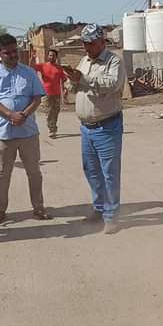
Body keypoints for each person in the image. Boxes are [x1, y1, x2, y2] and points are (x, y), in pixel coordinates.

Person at [0, 34, 51, 226]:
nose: (13, 55)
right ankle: (0, 210)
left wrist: (24, 115)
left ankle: (38, 207)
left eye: (15, 51)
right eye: (8, 52)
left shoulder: (29, 73)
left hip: (28, 132)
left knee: (34, 172)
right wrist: (10, 115)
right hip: (4, 134)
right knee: (2, 174)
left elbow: (37, 97)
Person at [64, 24, 125, 235]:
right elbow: (77, 86)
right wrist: (71, 81)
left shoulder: (114, 61)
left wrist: (83, 79)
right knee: (91, 170)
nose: (86, 47)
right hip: (86, 128)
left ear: (101, 42)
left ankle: (111, 216)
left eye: (90, 43)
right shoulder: (85, 61)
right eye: (84, 43)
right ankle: (99, 209)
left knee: (109, 173)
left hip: (107, 126)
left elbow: (112, 85)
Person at [33, 49, 67, 138]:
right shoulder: (43, 66)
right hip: (46, 93)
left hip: (57, 93)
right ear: (48, 56)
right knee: (49, 111)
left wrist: (64, 90)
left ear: (56, 57)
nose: (51, 57)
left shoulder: (59, 68)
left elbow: (64, 79)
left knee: (55, 111)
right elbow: (31, 66)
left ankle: (53, 128)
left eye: (53, 55)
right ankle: (51, 128)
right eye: (50, 55)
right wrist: (32, 56)